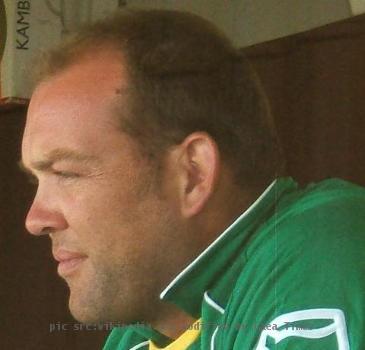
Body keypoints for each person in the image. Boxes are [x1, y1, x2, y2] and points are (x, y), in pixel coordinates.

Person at [20, 8, 364, 350]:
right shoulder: (134, 339)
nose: (35, 220)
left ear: (192, 173)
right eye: (38, 180)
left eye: (66, 173)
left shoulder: (316, 250)